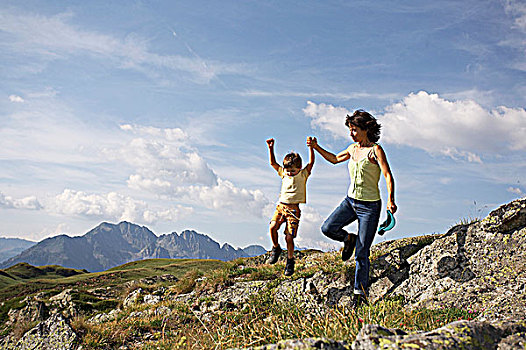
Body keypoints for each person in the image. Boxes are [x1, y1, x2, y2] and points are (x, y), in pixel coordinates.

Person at [307, 110, 397, 307]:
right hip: (350, 202)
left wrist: (391, 200)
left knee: (362, 252)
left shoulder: (375, 150)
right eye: (350, 130)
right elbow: (333, 159)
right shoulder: (352, 149)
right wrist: (316, 147)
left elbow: (388, 175)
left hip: (370, 207)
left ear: (365, 129)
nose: (351, 134)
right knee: (327, 228)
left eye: (354, 130)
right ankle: (349, 238)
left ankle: (360, 294)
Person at [265, 137, 315, 276]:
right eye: (288, 170)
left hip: (293, 210)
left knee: (289, 237)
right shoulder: (283, 173)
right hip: (280, 207)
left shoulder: (303, 175)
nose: (290, 173)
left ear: (299, 168)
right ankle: (276, 248)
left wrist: (311, 148)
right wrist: (271, 148)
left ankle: (290, 260)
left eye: (293, 171)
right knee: (272, 227)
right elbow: (273, 163)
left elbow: (311, 162)